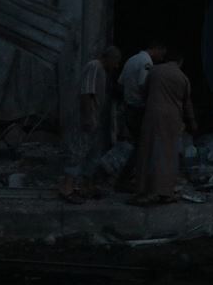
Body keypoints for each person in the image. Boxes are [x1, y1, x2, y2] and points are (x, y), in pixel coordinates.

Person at [129, 49, 197, 205]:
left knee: (148, 153)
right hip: (172, 119)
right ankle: (165, 192)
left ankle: (145, 190)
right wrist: (192, 122)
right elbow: (187, 103)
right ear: (180, 62)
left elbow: (144, 92)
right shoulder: (182, 77)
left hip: (152, 116)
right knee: (168, 156)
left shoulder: (154, 71)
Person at [60, 46, 122, 204]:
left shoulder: (102, 71)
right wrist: (88, 117)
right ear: (109, 58)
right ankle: (67, 188)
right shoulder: (94, 66)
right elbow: (86, 93)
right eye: (116, 62)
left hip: (94, 118)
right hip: (85, 119)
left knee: (89, 153)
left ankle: (83, 186)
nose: (116, 66)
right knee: (77, 152)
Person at [115, 41, 167, 190]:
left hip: (129, 106)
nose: (162, 58)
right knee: (142, 147)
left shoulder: (132, 60)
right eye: (162, 54)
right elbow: (144, 85)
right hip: (138, 109)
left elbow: (120, 83)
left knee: (138, 145)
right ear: (157, 48)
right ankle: (126, 179)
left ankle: (130, 177)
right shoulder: (146, 62)